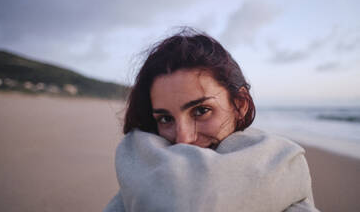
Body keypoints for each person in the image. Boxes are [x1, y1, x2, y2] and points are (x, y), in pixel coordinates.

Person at [104, 28, 319, 212]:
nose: (183, 138)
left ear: (240, 105)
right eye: (166, 118)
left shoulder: (283, 167)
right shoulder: (141, 181)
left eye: (201, 111)